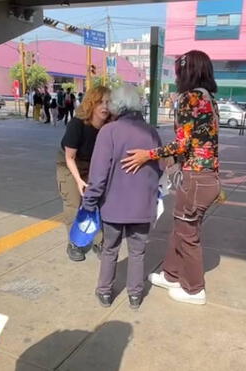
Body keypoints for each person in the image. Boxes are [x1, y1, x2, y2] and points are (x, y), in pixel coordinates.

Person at [122, 50, 221, 305]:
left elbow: (183, 144)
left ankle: (194, 289)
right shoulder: (209, 98)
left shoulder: (191, 97)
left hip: (196, 179)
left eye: (178, 71)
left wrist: (148, 155)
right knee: (180, 230)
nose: (177, 77)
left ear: (188, 72)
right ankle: (171, 273)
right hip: (205, 178)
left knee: (188, 235)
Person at [82, 85, 163, 310]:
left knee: (110, 249)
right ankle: (135, 296)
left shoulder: (109, 132)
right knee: (138, 251)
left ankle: (105, 292)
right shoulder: (151, 132)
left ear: (116, 105)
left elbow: (98, 175)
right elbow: (161, 167)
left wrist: (88, 203)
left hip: (113, 206)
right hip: (142, 206)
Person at [56, 85, 110, 262]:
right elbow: (70, 157)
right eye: (100, 102)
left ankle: (99, 241)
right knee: (74, 201)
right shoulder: (77, 125)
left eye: (108, 102)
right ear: (91, 104)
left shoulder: (109, 127)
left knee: (97, 201)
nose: (105, 107)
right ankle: (75, 243)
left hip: (94, 164)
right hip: (70, 164)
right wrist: (79, 181)